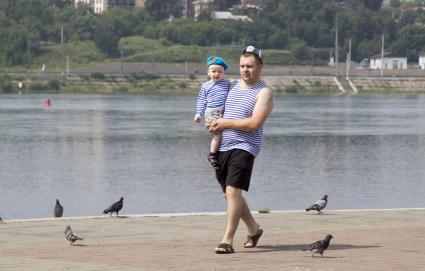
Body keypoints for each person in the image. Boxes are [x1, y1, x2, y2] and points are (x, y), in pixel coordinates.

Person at [206, 45, 273, 254]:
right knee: (229, 194)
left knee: (234, 190)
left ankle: (227, 240)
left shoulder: (264, 92)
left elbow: (255, 123)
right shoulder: (231, 86)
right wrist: (211, 121)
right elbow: (213, 101)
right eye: (243, 66)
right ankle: (254, 229)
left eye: (250, 66)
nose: (245, 70)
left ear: (260, 66)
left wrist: (225, 123)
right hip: (223, 146)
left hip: (246, 146)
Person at [194, 56, 231, 169]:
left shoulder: (227, 83)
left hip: (225, 111)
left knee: (228, 132)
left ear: (224, 72)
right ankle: (212, 154)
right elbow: (201, 101)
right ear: (208, 72)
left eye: (220, 71)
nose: (216, 74)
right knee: (218, 133)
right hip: (212, 112)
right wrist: (198, 114)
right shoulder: (205, 86)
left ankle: (221, 153)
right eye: (213, 71)